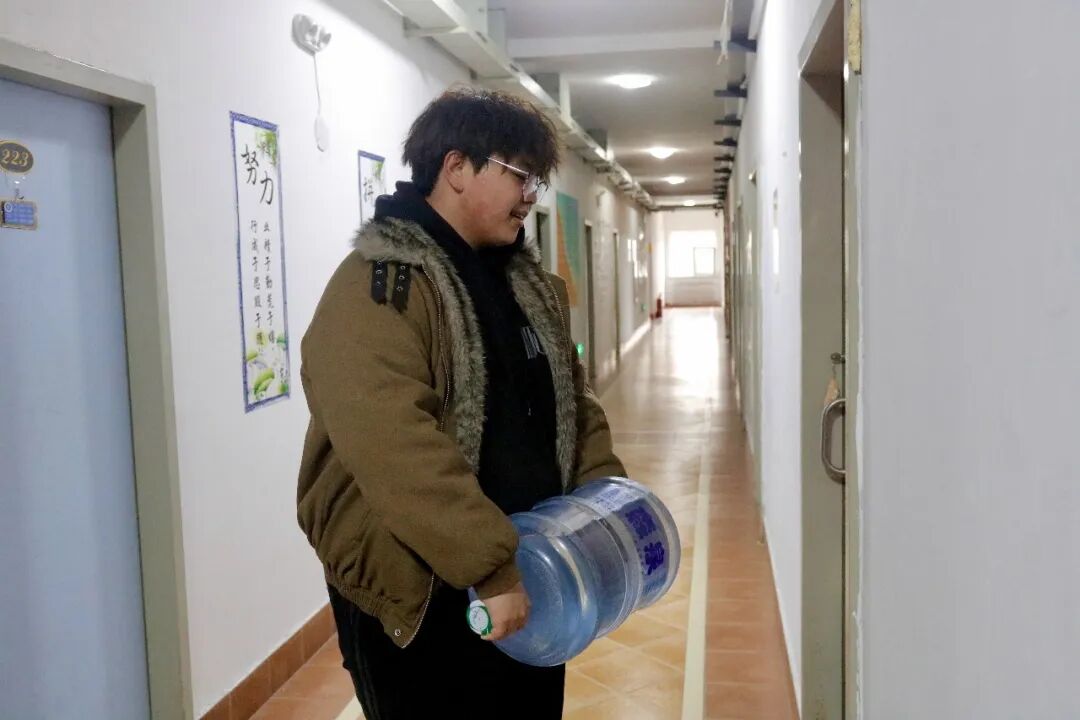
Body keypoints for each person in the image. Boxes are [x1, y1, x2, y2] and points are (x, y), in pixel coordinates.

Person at [296, 86, 625, 719]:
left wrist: (604, 509)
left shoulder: (525, 285)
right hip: (427, 593)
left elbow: (572, 405)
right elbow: (394, 446)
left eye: (536, 180)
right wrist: (490, 567)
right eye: (520, 176)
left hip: (529, 573)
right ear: (455, 168)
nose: (531, 196)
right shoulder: (379, 287)